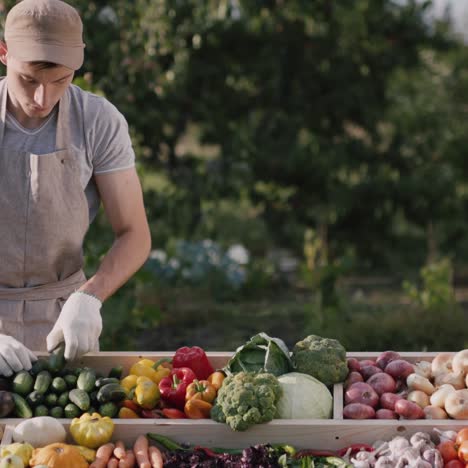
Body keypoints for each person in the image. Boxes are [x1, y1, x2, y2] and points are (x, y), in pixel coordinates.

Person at [0, 0, 151, 375]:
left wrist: (89, 298)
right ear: (3, 53)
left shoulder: (99, 122)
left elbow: (134, 234)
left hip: (63, 324)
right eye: (29, 80)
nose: (42, 99)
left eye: (60, 82)